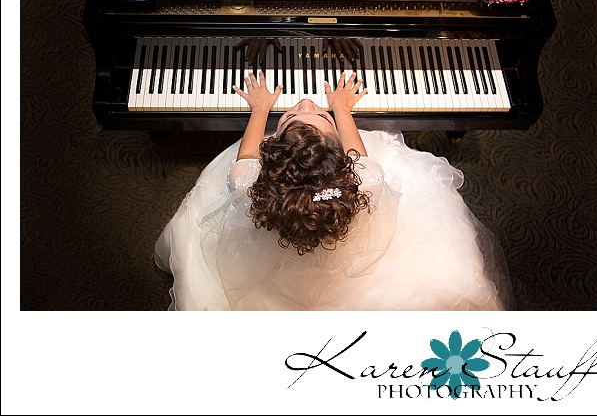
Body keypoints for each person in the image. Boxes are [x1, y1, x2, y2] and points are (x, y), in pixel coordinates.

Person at [154, 62, 513, 310]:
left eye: (296, 113)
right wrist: (340, 108)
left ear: (272, 151)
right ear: (340, 157)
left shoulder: (247, 185)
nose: (306, 102)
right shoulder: (364, 181)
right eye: (310, 113)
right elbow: (358, 146)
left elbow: (245, 153)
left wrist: (261, 108)